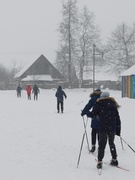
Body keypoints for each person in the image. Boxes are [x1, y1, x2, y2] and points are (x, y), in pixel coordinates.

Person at [87, 91, 121, 169]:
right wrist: (118, 130)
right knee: (111, 143)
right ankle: (114, 159)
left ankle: (99, 161)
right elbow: (117, 118)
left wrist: (87, 113)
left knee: (102, 144)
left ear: (101, 97)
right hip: (112, 127)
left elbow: (93, 114)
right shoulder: (113, 105)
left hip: (102, 127)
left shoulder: (98, 105)